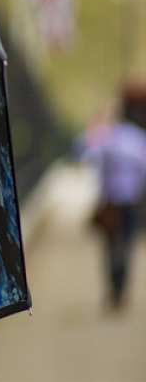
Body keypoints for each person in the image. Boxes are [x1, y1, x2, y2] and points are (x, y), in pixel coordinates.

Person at [79, 84, 146, 312]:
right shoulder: (138, 139)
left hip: (110, 201)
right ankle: (121, 289)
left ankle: (114, 289)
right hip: (130, 201)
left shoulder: (108, 139)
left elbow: (91, 159)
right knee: (126, 245)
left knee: (110, 247)